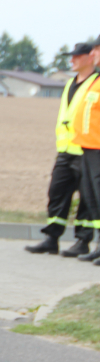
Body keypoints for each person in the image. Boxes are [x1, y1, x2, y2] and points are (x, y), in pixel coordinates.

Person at [25, 42, 99, 256]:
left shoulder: (96, 82)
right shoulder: (69, 83)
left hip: (88, 149)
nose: (72, 60)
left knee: (87, 199)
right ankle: (51, 237)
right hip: (66, 150)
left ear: (89, 58)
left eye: (77, 56)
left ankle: (83, 241)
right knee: (57, 193)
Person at [73, 39, 100, 265]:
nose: (94, 54)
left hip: (98, 148)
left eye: (98, 50)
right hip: (88, 147)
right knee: (92, 199)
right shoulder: (96, 81)